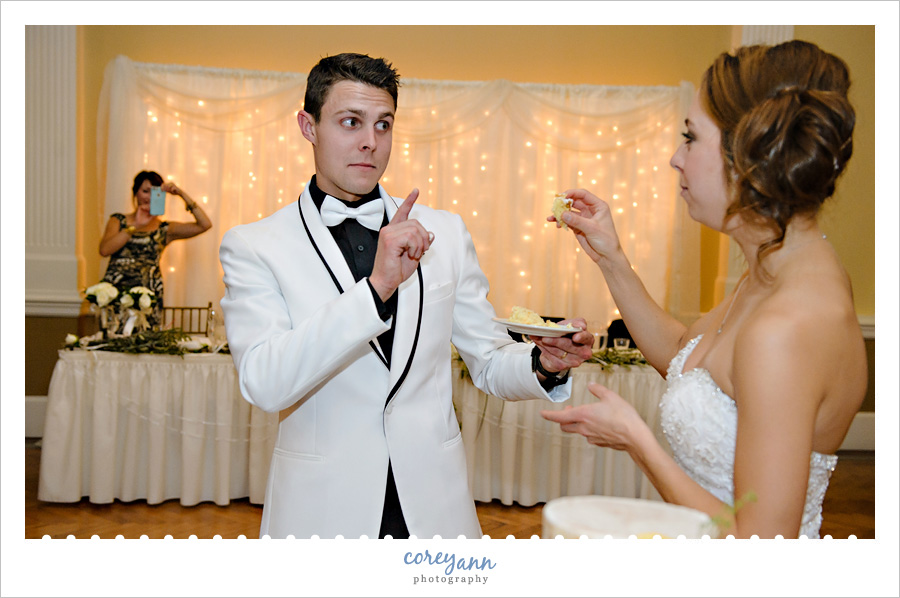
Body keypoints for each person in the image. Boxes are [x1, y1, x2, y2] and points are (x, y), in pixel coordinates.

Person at [218, 53, 594, 540]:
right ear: (307, 127)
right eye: (350, 122)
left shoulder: (446, 232)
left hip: (433, 510)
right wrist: (376, 291)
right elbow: (265, 383)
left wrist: (544, 364)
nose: (370, 142)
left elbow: (489, 363)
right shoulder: (255, 245)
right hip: (321, 511)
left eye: (383, 124)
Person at [542, 40, 866, 539]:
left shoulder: (788, 325)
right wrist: (612, 258)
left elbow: (759, 542)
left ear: (749, 157)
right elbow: (686, 356)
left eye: (690, 138)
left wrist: (638, 443)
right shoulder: (779, 264)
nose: (675, 158)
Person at [99, 170, 212, 328]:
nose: (149, 197)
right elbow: (105, 250)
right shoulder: (118, 220)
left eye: (154, 192)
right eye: (145, 191)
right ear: (135, 192)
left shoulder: (164, 228)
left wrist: (181, 194)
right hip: (115, 295)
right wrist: (136, 226)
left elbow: (204, 225)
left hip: (148, 297)